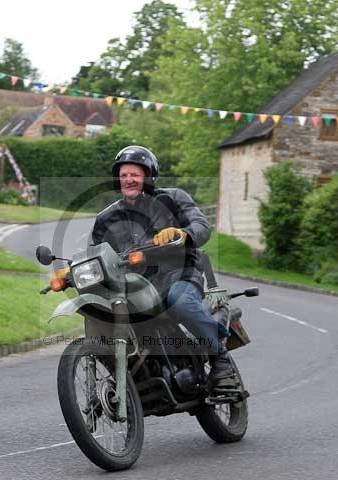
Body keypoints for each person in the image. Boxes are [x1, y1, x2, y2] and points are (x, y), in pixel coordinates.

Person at [90, 145, 238, 389]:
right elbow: (96, 254)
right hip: (134, 286)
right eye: (124, 175)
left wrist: (182, 233)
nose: (129, 180)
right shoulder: (106, 218)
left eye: (135, 174)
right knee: (102, 315)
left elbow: (202, 226)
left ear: (148, 176)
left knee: (180, 300)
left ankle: (220, 358)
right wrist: (70, 270)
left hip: (178, 273)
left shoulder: (173, 198)